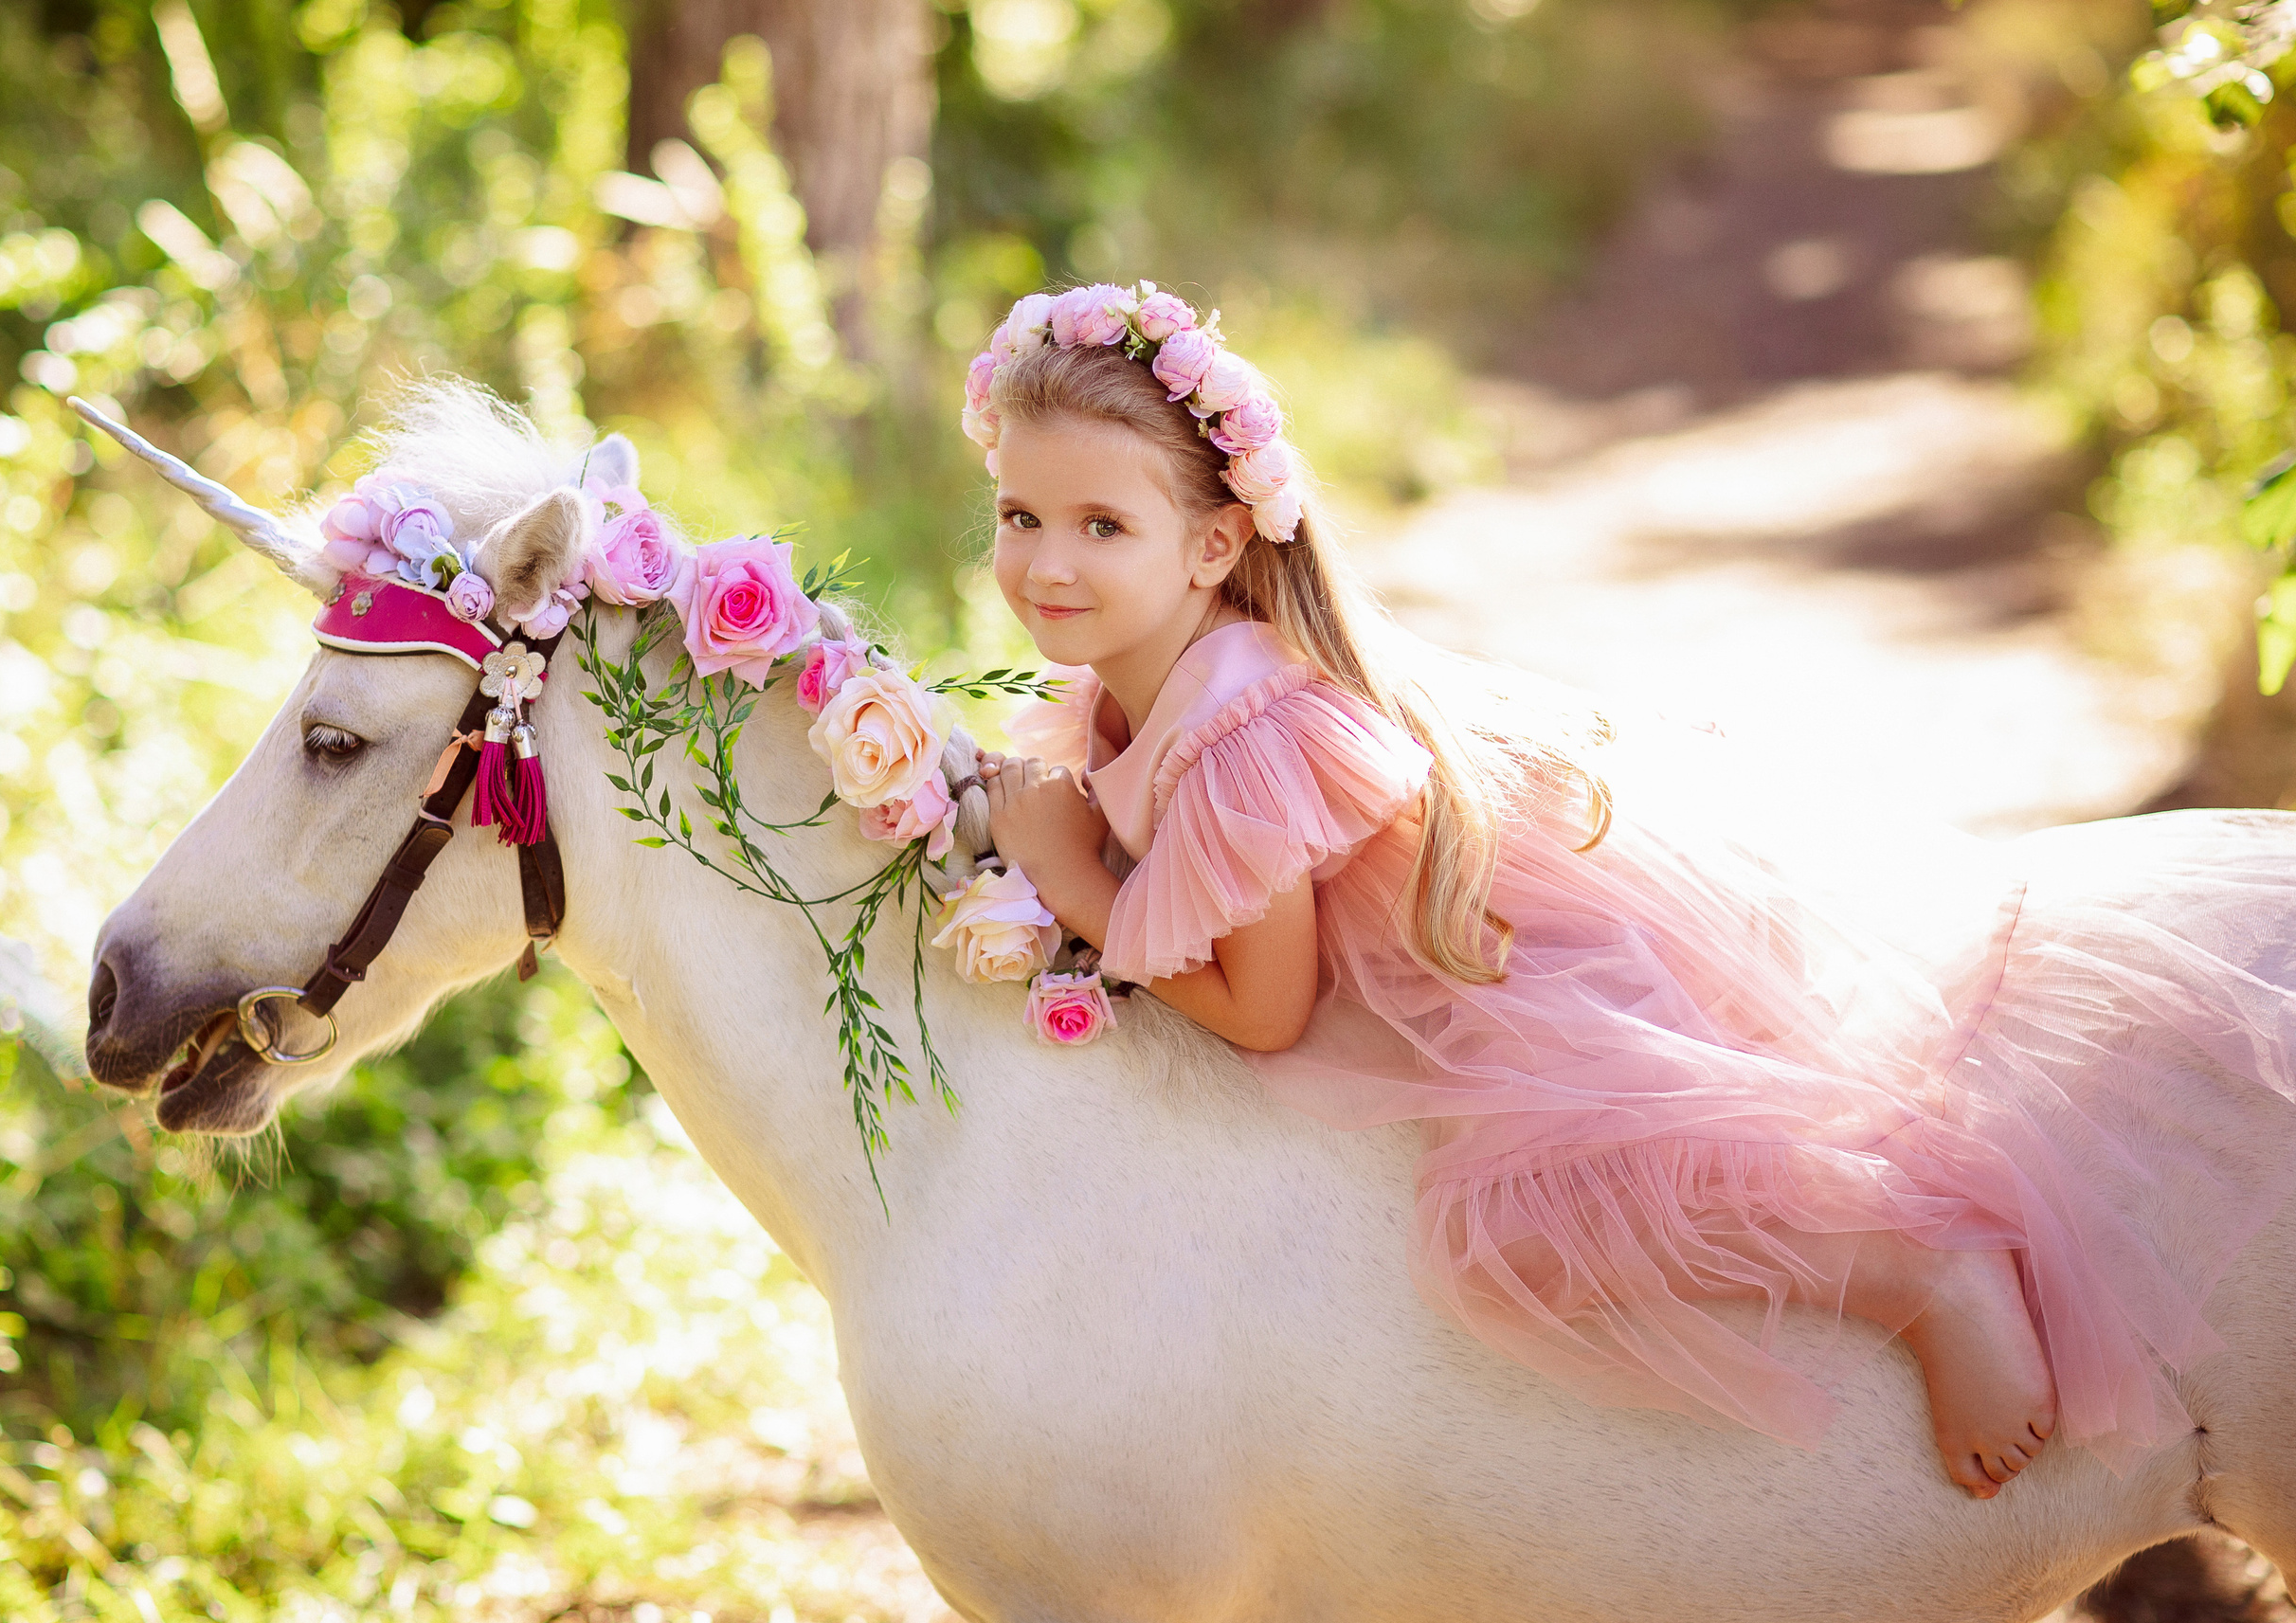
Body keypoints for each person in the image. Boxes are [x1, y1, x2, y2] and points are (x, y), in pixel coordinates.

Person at [962, 281, 2296, 1499]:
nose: (1048, 566)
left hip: (1517, 967)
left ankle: (1922, 1277)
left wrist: (1071, 877)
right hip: (1456, 936)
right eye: (1021, 517)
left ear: (1212, 546)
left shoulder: (1244, 737)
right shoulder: (1141, 682)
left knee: (1534, 1238)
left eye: (1102, 526)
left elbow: (1266, 1013)